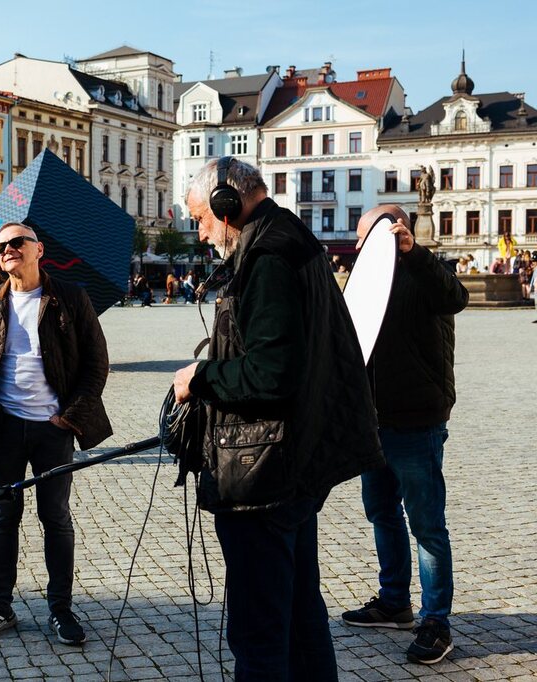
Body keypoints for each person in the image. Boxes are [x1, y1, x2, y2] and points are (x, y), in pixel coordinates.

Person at [172, 157, 383, 680]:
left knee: (260, 630)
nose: (201, 234)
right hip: (293, 463)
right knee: (300, 616)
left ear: (226, 204)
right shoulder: (289, 237)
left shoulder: (267, 256)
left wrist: (200, 377)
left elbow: (270, 373)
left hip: (264, 475)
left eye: (201, 219)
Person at [0, 222, 112, 646]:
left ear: (38, 249)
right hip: (3, 427)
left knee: (55, 517)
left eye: (16, 243)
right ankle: (0, 606)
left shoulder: (70, 297)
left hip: (52, 428)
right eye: (1, 247)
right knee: (3, 516)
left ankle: (60, 609)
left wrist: (70, 417)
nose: (7, 250)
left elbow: (96, 363)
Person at [342, 204, 468, 666]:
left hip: (417, 421)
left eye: (367, 238)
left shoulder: (424, 274)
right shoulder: (366, 283)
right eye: (359, 240)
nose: (359, 247)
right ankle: (395, 602)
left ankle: (436, 622)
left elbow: (455, 296)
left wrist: (415, 253)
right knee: (381, 512)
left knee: (427, 524)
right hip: (373, 421)